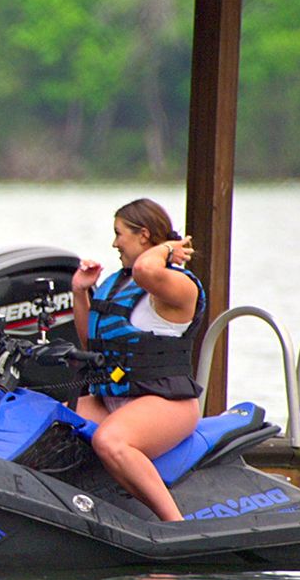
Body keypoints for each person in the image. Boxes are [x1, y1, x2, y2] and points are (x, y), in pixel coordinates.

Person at [70, 198, 204, 521]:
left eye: (119, 234)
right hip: (116, 399)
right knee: (54, 421)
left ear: (143, 236)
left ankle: (175, 525)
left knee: (111, 441)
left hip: (165, 402)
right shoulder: (120, 283)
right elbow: (92, 340)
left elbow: (147, 268)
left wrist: (167, 249)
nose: (114, 243)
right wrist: (79, 292)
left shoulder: (176, 284)